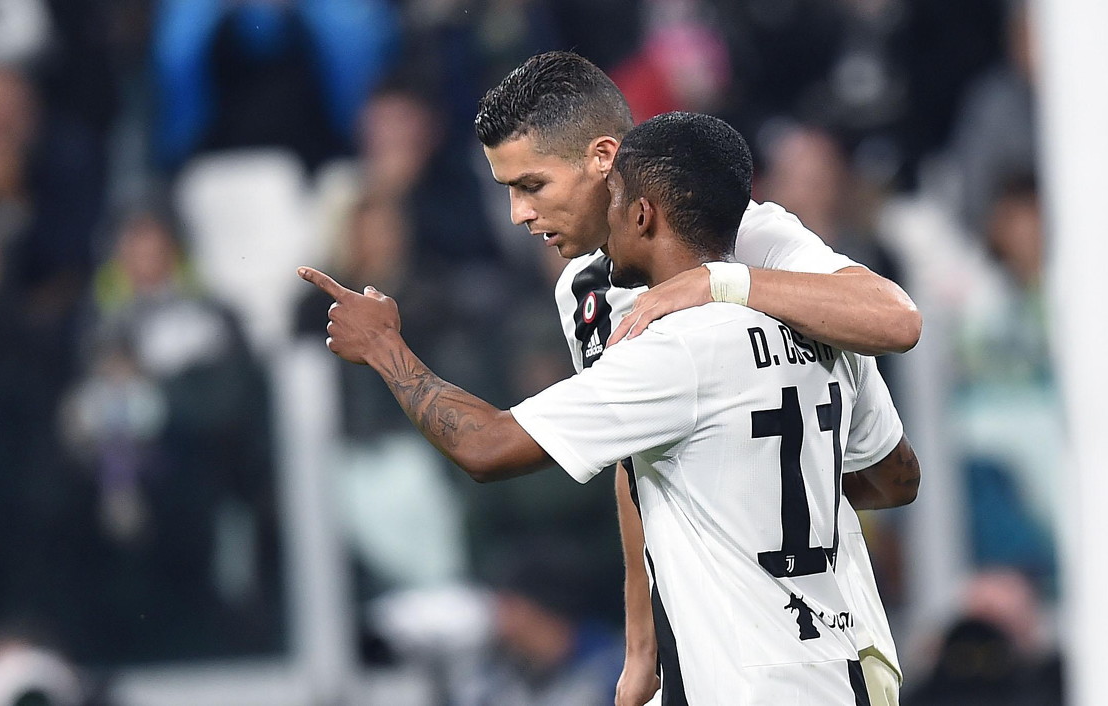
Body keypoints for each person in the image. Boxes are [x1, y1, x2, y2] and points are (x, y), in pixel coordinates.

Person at [299, 111, 920, 703]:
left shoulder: (672, 348)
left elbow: (485, 445)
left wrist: (385, 348)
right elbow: (895, 478)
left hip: (745, 681)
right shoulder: (825, 324)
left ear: (642, 213)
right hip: (853, 663)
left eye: (615, 201)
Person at [472, 51, 919, 706]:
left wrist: (719, 282)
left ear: (603, 160)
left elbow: (897, 320)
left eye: (532, 185)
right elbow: (635, 460)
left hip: (807, 645)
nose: (518, 212)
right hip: (707, 643)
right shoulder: (583, 290)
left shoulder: (751, 231)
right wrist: (641, 644)